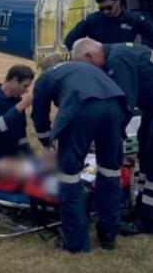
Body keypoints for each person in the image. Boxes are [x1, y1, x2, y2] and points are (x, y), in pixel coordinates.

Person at [71, 38, 153, 236]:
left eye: (87, 67)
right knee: (146, 150)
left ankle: (150, 221)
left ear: (89, 55)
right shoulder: (117, 54)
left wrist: (109, 136)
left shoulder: (118, 61)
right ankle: (142, 208)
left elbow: (124, 105)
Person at [31, 55, 129, 253]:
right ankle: (108, 235)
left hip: (81, 108)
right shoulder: (84, 68)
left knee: (69, 176)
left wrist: (48, 144)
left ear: (44, 68)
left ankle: (76, 242)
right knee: (110, 172)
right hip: (116, 107)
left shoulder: (46, 77)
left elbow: (39, 117)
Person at [63, 0, 153, 51]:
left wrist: (141, 54)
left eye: (109, 7)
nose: (106, 12)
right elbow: (69, 41)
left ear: (118, 1)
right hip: (101, 66)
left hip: (125, 62)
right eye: (101, 9)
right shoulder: (92, 21)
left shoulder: (132, 19)